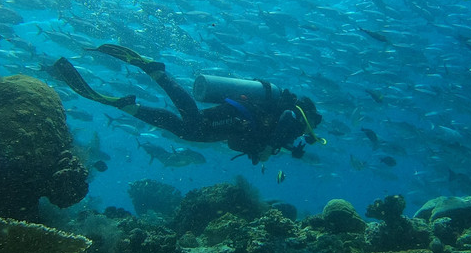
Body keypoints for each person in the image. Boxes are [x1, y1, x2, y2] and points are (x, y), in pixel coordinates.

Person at [48, 44, 324, 164]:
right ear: (309, 115)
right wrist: (271, 147)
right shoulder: (292, 117)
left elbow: (240, 143)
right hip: (237, 114)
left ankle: (129, 106)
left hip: (234, 121)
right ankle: (158, 73)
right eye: (312, 124)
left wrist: (268, 147)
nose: (308, 130)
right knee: (194, 124)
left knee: (186, 130)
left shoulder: (291, 127)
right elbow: (276, 127)